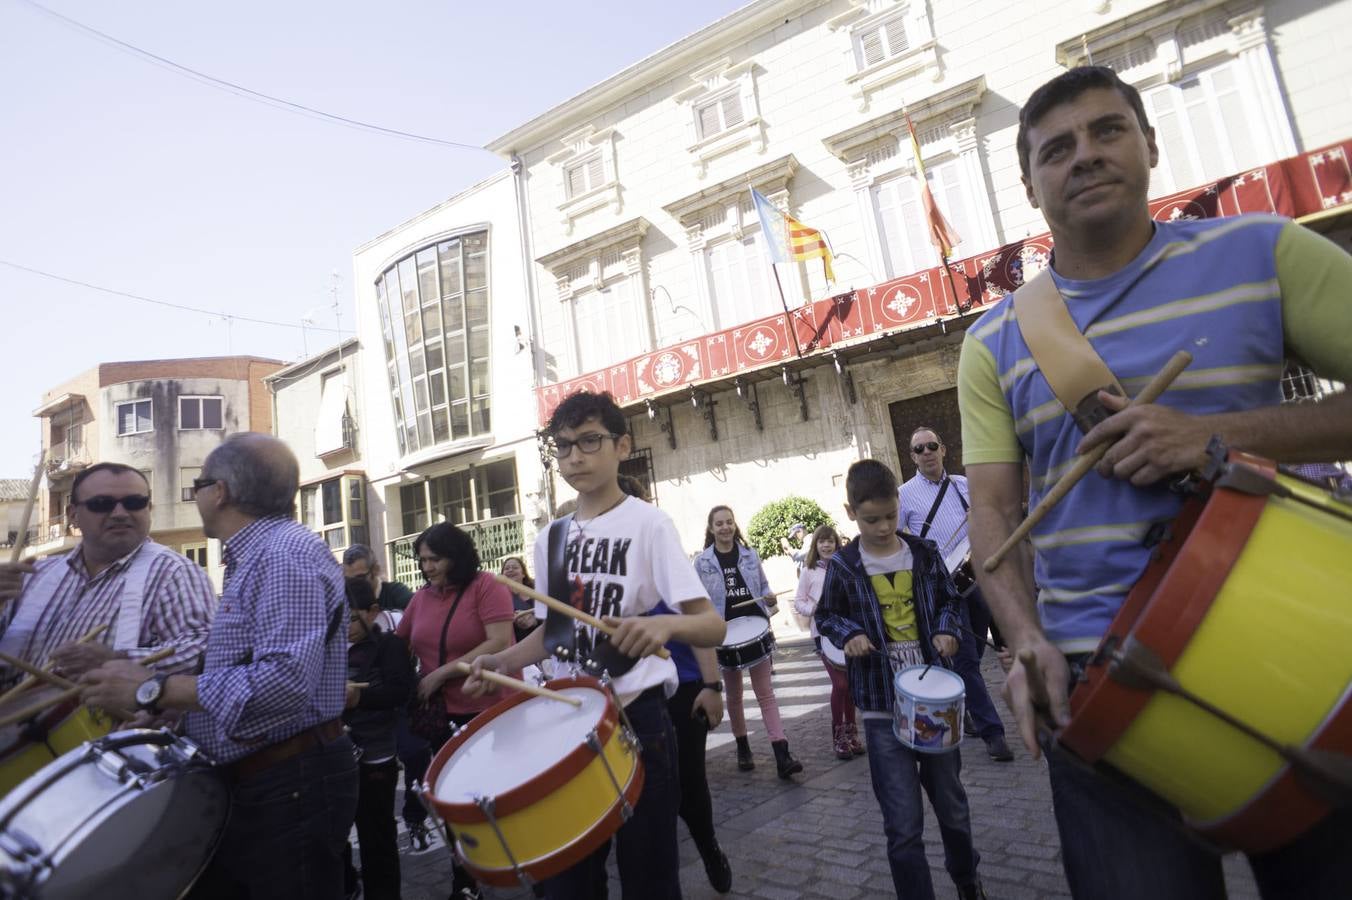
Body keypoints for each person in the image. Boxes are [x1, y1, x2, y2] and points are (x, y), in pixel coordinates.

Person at [958, 65, 1352, 900]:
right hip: (1095, 691)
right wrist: (1023, 637)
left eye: (1108, 131)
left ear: (1150, 144)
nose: (1085, 156)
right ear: (1031, 188)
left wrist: (1216, 436)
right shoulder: (992, 341)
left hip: (1290, 647)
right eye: (1056, 149)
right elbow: (993, 509)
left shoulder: (1263, 250)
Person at [465, 389, 725, 900]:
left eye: (588, 441)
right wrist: (501, 659)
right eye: (562, 447)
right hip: (566, 722)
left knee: (649, 879)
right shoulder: (551, 538)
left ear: (622, 446)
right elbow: (555, 633)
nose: (574, 457)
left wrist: (664, 628)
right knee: (567, 882)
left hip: (638, 719)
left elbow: (711, 625)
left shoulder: (649, 523)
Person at [81, 433, 358, 900]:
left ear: (221, 491)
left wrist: (155, 689)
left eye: (198, 485)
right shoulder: (257, 555)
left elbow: (283, 684)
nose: (197, 497)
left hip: (290, 784)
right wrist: (181, 710)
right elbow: (247, 667)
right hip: (271, 781)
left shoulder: (281, 556)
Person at [816, 459, 986, 900]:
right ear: (850, 512)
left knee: (952, 808)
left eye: (891, 515)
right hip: (880, 707)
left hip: (935, 700)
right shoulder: (844, 566)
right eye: (872, 519)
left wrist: (948, 628)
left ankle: (968, 881)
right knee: (903, 825)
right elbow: (827, 617)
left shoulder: (924, 553)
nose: (883, 526)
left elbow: (950, 600)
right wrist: (849, 633)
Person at [0, 462, 213, 684]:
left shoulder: (174, 573)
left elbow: (203, 650)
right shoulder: (34, 575)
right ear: (73, 515)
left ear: (148, 509)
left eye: (134, 503)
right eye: (102, 504)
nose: (120, 513)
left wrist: (118, 660)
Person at [396, 521, 515, 900]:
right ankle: (465, 880)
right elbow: (401, 645)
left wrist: (443, 673)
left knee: (499, 796)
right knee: (452, 798)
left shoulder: (486, 586)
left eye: (435, 559)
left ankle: (527, 866)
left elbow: (498, 641)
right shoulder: (421, 598)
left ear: (457, 557)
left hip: (489, 708)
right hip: (443, 715)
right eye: (423, 560)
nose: (427, 567)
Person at [898, 427, 1013, 762]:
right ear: (913, 457)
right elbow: (900, 540)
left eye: (932, 446)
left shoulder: (964, 485)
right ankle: (994, 732)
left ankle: (970, 711)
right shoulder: (904, 495)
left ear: (943, 449)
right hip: (943, 588)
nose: (927, 452)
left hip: (979, 577)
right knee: (965, 660)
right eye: (919, 449)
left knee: (971, 657)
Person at [695, 505, 802, 778]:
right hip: (725, 635)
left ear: (734, 524)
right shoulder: (702, 562)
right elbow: (697, 601)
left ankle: (782, 753)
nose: (725, 527)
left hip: (755, 628)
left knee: (765, 693)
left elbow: (764, 587)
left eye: (729, 522)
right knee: (735, 697)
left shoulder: (749, 555)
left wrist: (769, 597)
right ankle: (743, 746)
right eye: (719, 523)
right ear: (711, 528)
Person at [343, 542, 429, 848]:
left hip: (397, 704)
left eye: (362, 576)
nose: (356, 581)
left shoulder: (396, 597)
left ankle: (416, 814)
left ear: (375, 571)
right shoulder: (344, 611)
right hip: (361, 733)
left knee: (415, 753)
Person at [343, 576, 416, 900]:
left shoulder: (389, 646)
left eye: (350, 616)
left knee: (377, 837)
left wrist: (360, 698)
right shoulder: (327, 648)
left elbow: (401, 691)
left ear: (372, 612)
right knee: (334, 836)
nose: (345, 625)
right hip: (336, 757)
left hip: (376, 757)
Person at [793, 523, 862, 760]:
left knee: (850, 685)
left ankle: (852, 732)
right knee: (840, 685)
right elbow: (798, 602)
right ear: (816, 545)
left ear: (836, 544)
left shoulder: (845, 568)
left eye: (830, 541)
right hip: (822, 633)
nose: (826, 545)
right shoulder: (809, 571)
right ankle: (838, 734)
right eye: (821, 541)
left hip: (845, 631)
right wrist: (815, 608)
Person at [343, 544, 414, 613]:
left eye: (359, 578)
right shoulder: (345, 602)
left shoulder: (397, 593)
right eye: (348, 580)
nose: (353, 584)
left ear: (375, 569)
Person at [499, 555, 540, 643]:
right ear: (502, 575)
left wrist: (535, 621)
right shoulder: (498, 599)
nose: (510, 570)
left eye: (515, 567)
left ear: (523, 574)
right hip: (519, 644)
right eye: (507, 568)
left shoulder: (538, 592)